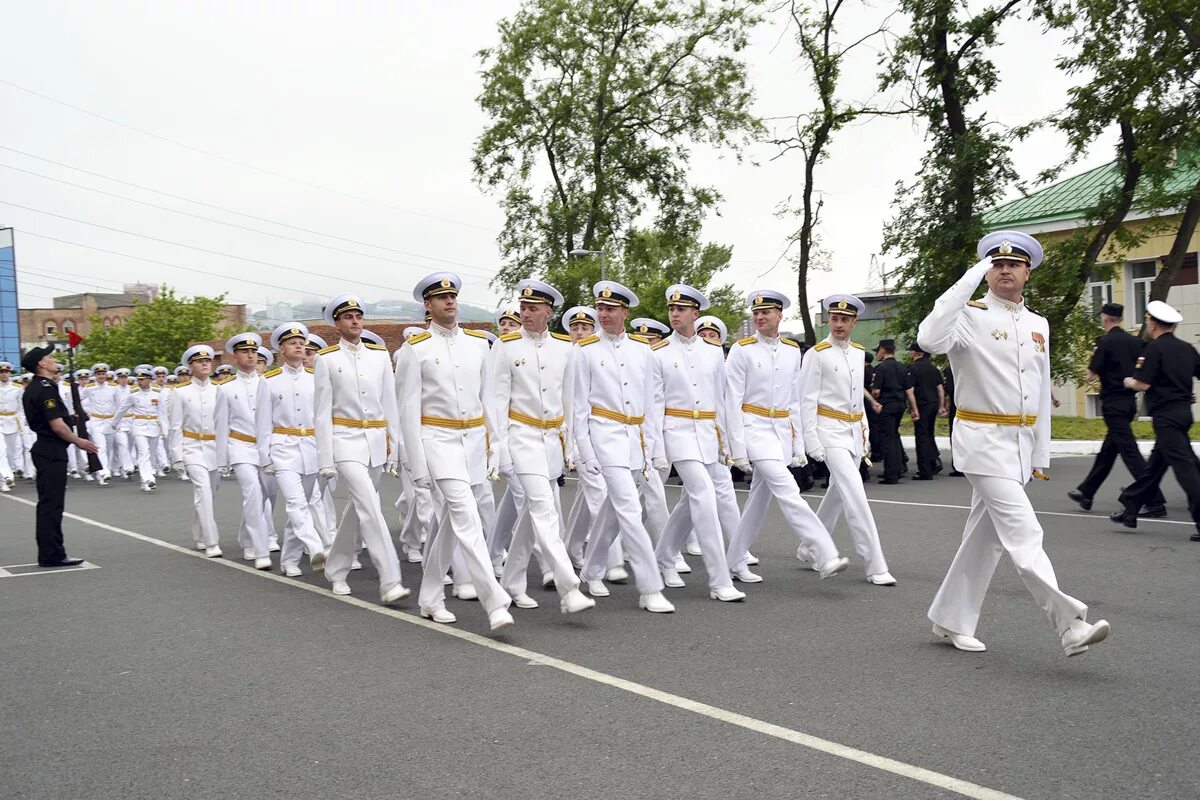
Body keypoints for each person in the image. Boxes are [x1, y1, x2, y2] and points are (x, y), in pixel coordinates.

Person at [920, 230, 1109, 656]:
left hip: (1019, 445)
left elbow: (1040, 393)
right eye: (996, 263)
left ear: (1027, 272)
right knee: (1025, 532)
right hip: (982, 441)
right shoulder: (968, 316)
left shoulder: (1038, 323)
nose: (1005, 269)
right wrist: (969, 278)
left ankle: (950, 619)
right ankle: (1070, 625)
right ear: (987, 271)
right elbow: (929, 338)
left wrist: (1040, 453)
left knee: (983, 540)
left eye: (1014, 264)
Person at [395, 273, 513, 631]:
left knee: (449, 523)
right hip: (438, 441)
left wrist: (497, 445)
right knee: (466, 515)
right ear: (427, 306)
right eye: (440, 297)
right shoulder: (415, 350)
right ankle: (495, 601)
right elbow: (407, 412)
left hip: (475, 441)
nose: (449, 302)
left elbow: (489, 399)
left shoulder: (479, 344)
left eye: (452, 296)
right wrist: (418, 467)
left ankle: (430, 597)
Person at [723, 289, 849, 583]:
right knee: (787, 489)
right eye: (755, 313)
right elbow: (731, 399)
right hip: (753, 427)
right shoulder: (742, 350)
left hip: (780, 431)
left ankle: (734, 560)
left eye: (766, 312)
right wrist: (736, 446)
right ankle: (825, 552)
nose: (759, 317)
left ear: (779, 315)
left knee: (758, 502)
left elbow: (794, 401)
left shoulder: (793, 351)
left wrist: (798, 444)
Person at [489, 279, 595, 614]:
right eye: (522, 308)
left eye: (533, 309)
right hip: (521, 436)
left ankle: (511, 583)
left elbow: (571, 402)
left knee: (531, 517)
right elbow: (495, 403)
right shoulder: (506, 347)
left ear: (549, 312)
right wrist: (499, 448)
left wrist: (571, 447)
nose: (526, 314)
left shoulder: (566, 349)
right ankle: (570, 586)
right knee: (544, 510)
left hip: (551, 440)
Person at [572, 280, 675, 613]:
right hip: (604, 435)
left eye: (610, 309)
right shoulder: (585, 350)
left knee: (614, 510)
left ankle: (590, 569)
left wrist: (653, 448)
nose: (603, 314)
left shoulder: (644, 351)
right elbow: (578, 407)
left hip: (635, 438)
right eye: (600, 308)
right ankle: (650, 587)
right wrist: (584, 452)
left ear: (625, 312)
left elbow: (652, 403)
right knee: (630, 508)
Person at [648, 284, 746, 601]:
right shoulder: (658, 353)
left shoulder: (713, 352)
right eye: (671, 309)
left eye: (681, 309)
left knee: (689, 504)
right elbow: (653, 404)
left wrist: (729, 443)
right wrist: (657, 449)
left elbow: (722, 400)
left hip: (706, 433)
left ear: (695, 313)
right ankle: (719, 581)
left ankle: (662, 558)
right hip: (675, 431)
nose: (674, 314)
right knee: (703, 495)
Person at [314, 292, 410, 603]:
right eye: (347, 317)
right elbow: (322, 412)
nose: (355, 320)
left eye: (358, 316)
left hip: (376, 443)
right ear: (337, 324)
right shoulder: (326, 360)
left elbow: (390, 406)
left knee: (356, 509)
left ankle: (336, 568)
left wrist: (395, 448)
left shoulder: (379, 356)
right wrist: (325, 458)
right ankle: (390, 579)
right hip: (345, 440)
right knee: (370, 506)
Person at [799, 295, 895, 585]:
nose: (839, 324)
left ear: (854, 322)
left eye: (845, 319)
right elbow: (805, 400)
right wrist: (810, 439)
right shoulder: (817, 353)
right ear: (829, 320)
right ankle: (875, 565)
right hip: (828, 431)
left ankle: (808, 546)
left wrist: (863, 433)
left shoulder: (857, 353)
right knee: (856, 496)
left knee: (837, 495)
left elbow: (857, 400)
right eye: (835, 318)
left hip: (853, 433)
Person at [1110, 300, 1200, 539]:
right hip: (1183, 414)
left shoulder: (1154, 349)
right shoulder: (1187, 348)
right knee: (1156, 466)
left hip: (1166, 417)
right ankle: (1131, 507)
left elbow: (1143, 383)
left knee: (1187, 470)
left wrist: (1129, 382)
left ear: (1153, 323)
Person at [1070, 302, 1165, 515]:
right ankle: (1087, 492)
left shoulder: (1104, 342)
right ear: (1121, 319)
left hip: (1113, 403)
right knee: (1108, 451)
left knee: (1130, 452)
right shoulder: (1136, 343)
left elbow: (1091, 375)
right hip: (1130, 402)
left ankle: (1154, 499)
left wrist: (1096, 356)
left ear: (1104, 318)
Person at [257, 322, 327, 577]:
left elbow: (323, 418)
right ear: (281, 349)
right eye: (292, 343)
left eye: (301, 342)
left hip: (310, 447)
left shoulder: (315, 379)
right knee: (296, 502)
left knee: (303, 504)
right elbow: (263, 423)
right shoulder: (269, 381)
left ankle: (289, 560)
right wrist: (265, 457)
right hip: (282, 447)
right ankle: (316, 545)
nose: (299, 346)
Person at [20, 345, 98, 566]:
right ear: (41, 364)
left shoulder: (37, 387)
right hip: (51, 450)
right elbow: (56, 426)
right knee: (51, 506)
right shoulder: (45, 389)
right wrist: (80, 441)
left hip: (46, 449)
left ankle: (51, 552)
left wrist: (75, 419)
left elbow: (54, 419)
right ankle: (52, 554)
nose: (54, 359)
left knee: (49, 504)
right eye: (49, 357)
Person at [215, 333, 274, 571]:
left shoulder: (268, 382)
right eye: (245, 352)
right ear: (235, 356)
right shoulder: (226, 388)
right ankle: (261, 550)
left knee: (266, 497)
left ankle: (247, 537)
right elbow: (221, 425)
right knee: (253, 493)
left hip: (267, 448)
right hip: (240, 447)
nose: (250, 356)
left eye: (254, 352)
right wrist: (222, 460)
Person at [168, 345, 225, 558]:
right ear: (190, 366)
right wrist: (177, 456)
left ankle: (199, 534)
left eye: (208, 361)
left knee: (209, 494)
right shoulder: (180, 393)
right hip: (192, 447)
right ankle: (212, 542)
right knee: (203, 491)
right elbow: (175, 426)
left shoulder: (220, 390)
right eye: (199, 361)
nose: (204, 364)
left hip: (215, 447)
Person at [112, 365, 165, 492]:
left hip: (153, 426)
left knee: (152, 454)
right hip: (138, 426)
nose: (139, 382)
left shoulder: (158, 393)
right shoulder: (133, 394)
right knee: (143, 452)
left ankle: (146, 478)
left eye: (142, 379)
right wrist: (114, 423)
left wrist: (165, 429)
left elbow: (162, 412)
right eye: (138, 379)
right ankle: (148, 478)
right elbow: (122, 409)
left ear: (149, 380)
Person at [870, 340, 912, 484]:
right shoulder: (902, 367)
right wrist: (913, 408)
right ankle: (898, 467)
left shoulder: (881, 368)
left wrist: (873, 400)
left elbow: (876, 391)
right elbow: (909, 390)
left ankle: (891, 473)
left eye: (878, 350)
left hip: (886, 405)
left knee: (887, 439)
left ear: (882, 349)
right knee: (894, 436)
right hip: (900, 404)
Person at [906, 342, 944, 480]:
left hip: (922, 404)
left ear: (917, 353)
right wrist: (941, 406)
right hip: (933, 403)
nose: (910, 353)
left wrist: (914, 409)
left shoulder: (913, 369)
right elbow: (940, 389)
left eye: (911, 351)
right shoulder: (933, 368)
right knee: (929, 434)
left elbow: (910, 391)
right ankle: (934, 462)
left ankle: (925, 471)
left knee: (921, 437)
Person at [0, 360, 24, 491]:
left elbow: (21, 407)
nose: (4, 374)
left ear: (10, 373)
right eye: (2, 372)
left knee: (10, 452)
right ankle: (7, 477)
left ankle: (4, 479)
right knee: (1, 451)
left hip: (12, 421)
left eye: (6, 372)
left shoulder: (17, 388)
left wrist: (19, 421)